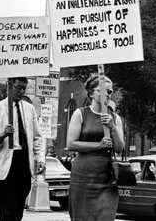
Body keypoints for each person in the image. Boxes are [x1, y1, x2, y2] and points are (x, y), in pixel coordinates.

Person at [0, 77, 45, 221]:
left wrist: (40, 158)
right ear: (10, 86)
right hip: (7, 164)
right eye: (18, 87)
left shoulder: (29, 108)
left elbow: (37, 137)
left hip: (24, 163)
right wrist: (2, 135)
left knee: (18, 208)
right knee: (7, 209)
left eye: (24, 88)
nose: (22, 91)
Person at [66, 75, 124, 221]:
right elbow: (71, 144)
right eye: (103, 90)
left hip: (106, 178)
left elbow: (119, 148)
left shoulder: (115, 118)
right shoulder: (80, 114)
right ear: (91, 93)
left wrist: (113, 128)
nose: (107, 95)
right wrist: (98, 145)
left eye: (110, 92)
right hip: (82, 177)